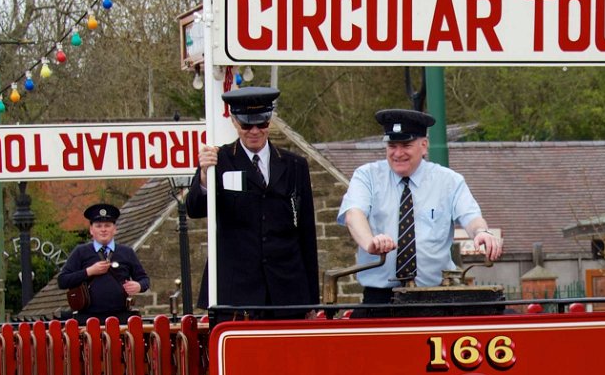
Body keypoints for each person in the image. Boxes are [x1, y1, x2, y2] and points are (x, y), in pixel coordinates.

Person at [338, 108, 503, 305]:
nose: (398, 153)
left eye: (406, 145)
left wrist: (481, 233)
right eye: (392, 145)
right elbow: (354, 214)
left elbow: (471, 216)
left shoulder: (449, 181)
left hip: (435, 297)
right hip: (379, 299)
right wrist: (370, 243)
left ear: (424, 146)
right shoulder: (366, 176)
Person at [186, 86, 319, 317]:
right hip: (237, 293)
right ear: (235, 123)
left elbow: (306, 234)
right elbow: (195, 209)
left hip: (286, 292)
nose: (255, 131)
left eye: (262, 123)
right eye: (247, 125)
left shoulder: (294, 165)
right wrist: (205, 177)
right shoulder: (219, 161)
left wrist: (312, 301)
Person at [56, 203, 151, 322]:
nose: (103, 229)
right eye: (98, 226)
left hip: (120, 317)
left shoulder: (126, 252)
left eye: (107, 225)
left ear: (115, 229)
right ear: (91, 230)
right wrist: (89, 271)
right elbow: (62, 281)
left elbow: (145, 280)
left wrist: (139, 286)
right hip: (88, 318)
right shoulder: (81, 252)